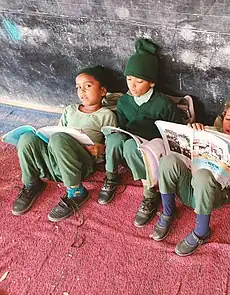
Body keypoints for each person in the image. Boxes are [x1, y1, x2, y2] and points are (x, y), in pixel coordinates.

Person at [152, 98, 230, 256]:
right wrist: (192, 132)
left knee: (203, 175)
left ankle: (201, 231)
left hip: (212, 196)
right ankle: (168, 211)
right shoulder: (211, 131)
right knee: (168, 160)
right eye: (228, 119)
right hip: (188, 189)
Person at [98, 39, 185, 228]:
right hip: (131, 140)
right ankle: (111, 176)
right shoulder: (124, 102)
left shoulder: (162, 103)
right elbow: (122, 125)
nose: (133, 86)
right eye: (129, 79)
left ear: (152, 83)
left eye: (139, 81)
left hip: (153, 145)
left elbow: (176, 131)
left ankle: (149, 192)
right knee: (114, 138)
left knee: (131, 146)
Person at [12, 65, 117, 222]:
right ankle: (32, 183)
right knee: (27, 137)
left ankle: (76, 192)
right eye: (78, 87)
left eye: (88, 86)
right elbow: (56, 132)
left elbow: (112, 146)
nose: (82, 91)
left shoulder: (106, 115)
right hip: (56, 163)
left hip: (81, 165)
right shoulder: (70, 110)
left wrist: (100, 148)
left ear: (102, 91)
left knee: (59, 138)